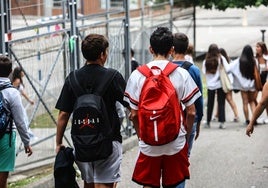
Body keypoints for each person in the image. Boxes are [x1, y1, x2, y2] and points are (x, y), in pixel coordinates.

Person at [124, 27, 201, 188]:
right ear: (172, 50)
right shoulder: (181, 74)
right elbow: (192, 112)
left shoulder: (137, 75)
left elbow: (133, 114)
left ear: (150, 49)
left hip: (148, 144)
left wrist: (141, 137)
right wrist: (185, 137)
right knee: (176, 183)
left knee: (149, 184)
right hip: (176, 141)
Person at [55, 34, 129, 188]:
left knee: (88, 183)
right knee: (104, 184)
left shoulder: (72, 78)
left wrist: (59, 142)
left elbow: (63, 114)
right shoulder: (113, 76)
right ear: (102, 54)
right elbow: (131, 105)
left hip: (82, 142)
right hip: (109, 142)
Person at [0, 55, 33, 188]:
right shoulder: (12, 93)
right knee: (2, 173)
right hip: (6, 137)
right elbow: (20, 121)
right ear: (10, 72)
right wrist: (26, 142)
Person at [172, 32, 203, 158]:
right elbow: (199, 99)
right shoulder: (193, 70)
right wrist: (199, 120)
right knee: (184, 157)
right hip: (190, 119)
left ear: (172, 48)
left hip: (171, 118)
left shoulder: (166, 68)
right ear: (186, 49)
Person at [202, 43, 230, 129]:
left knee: (210, 103)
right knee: (221, 103)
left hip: (210, 85)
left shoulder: (206, 60)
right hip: (220, 84)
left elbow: (203, 71)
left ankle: (208, 122)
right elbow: (228, 69)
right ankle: (222, 122)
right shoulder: (221, 59)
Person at [229, 45, 257, 125]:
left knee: (245, 102)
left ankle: (247, 120)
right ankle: (254, 120)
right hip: (252, 85)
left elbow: (229, 69)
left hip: (243, 86)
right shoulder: (254, 61)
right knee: (251, 102)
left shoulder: (239, 61)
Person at [213, 48, 239, 122]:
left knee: (228, 99)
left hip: (225, 83)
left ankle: (236, 115)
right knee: (222, 100)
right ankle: (217, 115)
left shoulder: (222, 61)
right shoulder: (228, 61)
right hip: (227, 83)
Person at [10, 67, 36, 140]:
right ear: (19, 73)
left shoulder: (18, 81)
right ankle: (28, 136)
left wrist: (30, 100)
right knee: (24, 120)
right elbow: (12, 90)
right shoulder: (17, 81)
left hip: (18, 103)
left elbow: (23, 93)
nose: (24, 73)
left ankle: (28, 135)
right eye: (22, 71)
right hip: (16, 103)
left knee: (24, 119)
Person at [255, 41, 268, 123]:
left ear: (262, 48)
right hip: (257, 80)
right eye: (256, 47)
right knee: (253, 98)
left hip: (265, 80)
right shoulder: (255, 58)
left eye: (258, 47)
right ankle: (257, 115)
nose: (256, 48)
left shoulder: (266, 57)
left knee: (265, 100)